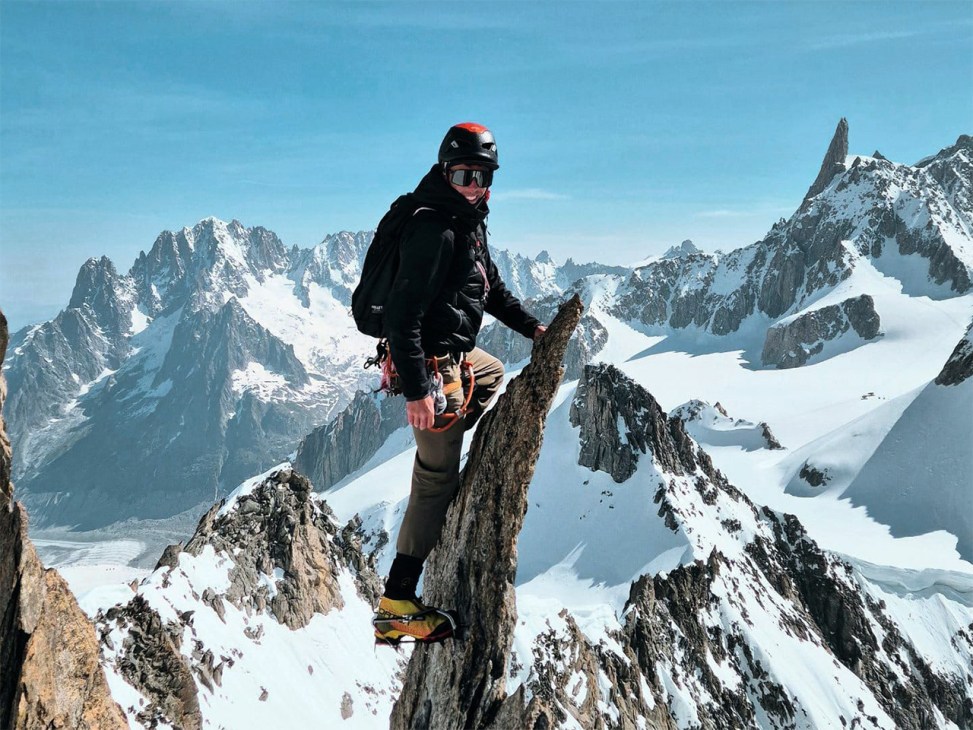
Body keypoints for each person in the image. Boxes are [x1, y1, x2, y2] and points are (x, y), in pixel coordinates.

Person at [372, 122, 546, 644]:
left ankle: (445, 436)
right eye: (464, 175)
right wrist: (418, 391)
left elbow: (489, 287)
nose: (474, 185)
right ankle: (396, 604)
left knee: (490, 371)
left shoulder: (467, 223)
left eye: (483, 176)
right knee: (435, 478)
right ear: (445, 171)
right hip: (430, 364)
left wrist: (533, 328)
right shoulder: (437, 229)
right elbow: (402, 316)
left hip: (455, 354)